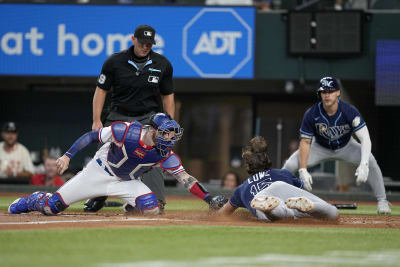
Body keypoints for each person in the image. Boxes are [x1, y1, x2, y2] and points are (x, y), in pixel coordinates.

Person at [8, 113, 227, 216]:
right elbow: (91, 136)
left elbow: (186, 180)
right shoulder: (126, 131)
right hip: (99, 171)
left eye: (171, 135)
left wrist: (209, 199)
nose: (169, 139)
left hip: (127, 181)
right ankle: (35, 199)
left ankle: (126, 207)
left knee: (151, 209)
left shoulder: (165, 154)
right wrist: (67, 156)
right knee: (51, 207)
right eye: (165, 134)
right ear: (152, 130)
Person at [86, 24, 175, 213]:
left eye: (149, 44)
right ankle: (97, 197)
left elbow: (168, 95)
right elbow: (101, 91)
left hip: (148, 117)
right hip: (119, 115)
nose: (145, 47)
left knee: (155, 153)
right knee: (105, 154)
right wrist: (96, 119)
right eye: (142, 42)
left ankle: (157, 200)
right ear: (133, 40)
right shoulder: (114, 62)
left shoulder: (163, 64)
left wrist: (168, 125)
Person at [282, 76, 391, 214]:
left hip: (346, 146)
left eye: (330, 91)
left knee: (371, 161)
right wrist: (303, 170)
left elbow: (365, 138)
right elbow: (305, 142)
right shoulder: (312, 113)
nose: (327, 95)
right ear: (320, 94)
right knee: (290, 165)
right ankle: (281, 199)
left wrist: (364, 164)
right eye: (324, 92)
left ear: (338, 93)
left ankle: (382, 201)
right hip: (320, 147)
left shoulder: (349, 111)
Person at [217, 136, 339, 222]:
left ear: (249, 165)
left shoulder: (242, 188)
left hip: (261, 198)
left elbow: (222, 215)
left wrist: (216, 208)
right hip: (281, 188)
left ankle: (270, 208)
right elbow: (305, 190)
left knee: (279, 213)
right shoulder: (284, 173)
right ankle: (311, 206)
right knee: (333, 213)